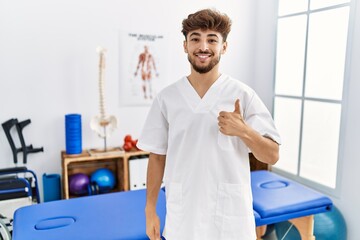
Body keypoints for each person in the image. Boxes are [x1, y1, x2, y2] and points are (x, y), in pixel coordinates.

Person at [137, 8, 281, 240]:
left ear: (223, 47)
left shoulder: (243, 95)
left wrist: (244, 131)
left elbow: (272, 155)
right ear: (185, 45)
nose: (203, 46)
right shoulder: (167, 98)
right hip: (183, 216)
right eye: (195, 38)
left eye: (212, 39)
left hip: (230, 218)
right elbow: (157, 157)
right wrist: (149, 210)